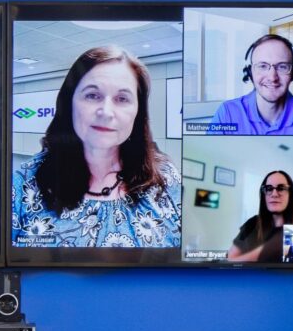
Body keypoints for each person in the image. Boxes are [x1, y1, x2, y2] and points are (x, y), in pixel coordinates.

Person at [11, 45, 181, 249]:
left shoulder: (166, 178)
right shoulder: (23, 186)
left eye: (122, 99)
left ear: (138, 113)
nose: (106, 112)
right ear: (69, 103)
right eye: (93, 95)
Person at [204, 33, 293, 136]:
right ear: (249, 72)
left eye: (282, 66)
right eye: (263, 66)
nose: (272, 77)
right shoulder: (227, 113)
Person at [225, 169, 293, 265]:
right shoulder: (252, 224)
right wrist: (266, 250)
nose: (274, 194)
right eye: (269, 189)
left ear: (290, 194)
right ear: (263, 195)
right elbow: (230, 259)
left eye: (281, 188)